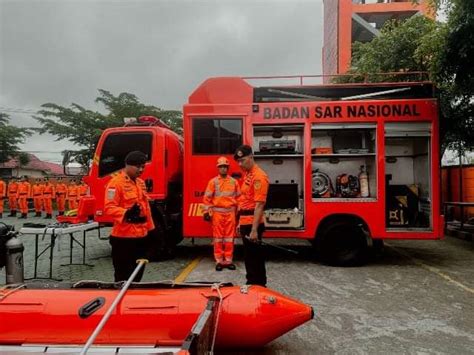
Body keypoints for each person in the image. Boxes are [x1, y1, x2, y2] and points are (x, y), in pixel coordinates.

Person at [104, 151, 154, 282]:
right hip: (123, 239)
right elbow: (109, 208)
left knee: (137, 277)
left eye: (143, 166)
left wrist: (152, 231)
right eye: (138, 166)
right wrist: (126, 213)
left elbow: (146, 208)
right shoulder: (115, 184)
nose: (141, 170)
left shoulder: (140, 183)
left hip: (141, 238)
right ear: (127, 165)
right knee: (122, 277)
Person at [234, 145, 269, 287]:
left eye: (242, 160)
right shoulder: (248, 175)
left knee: (255, 258)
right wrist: (239, 223)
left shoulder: (260, 176)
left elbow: (259, 205)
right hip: (245, 222)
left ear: (251, 157)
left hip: (252, 225)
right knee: (249, 258)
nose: (240, 164)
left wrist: (254, 230)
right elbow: (244, 201)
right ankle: (251, 284)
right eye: (238, 161)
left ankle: (259, 286)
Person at [202, 156, 240, 271]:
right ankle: (218, 260)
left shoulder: (234, 182)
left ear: (228, 168)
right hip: (217, 214)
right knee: (218, 238)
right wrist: (206, 212)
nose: (223, 169)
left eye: (225, 167)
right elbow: (207, 199)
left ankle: (228, 260)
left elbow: (239, 198)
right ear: (218, 168)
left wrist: (239, 212)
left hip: (231, 214)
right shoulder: (213, 182)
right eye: (221, 167)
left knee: (229, 238)